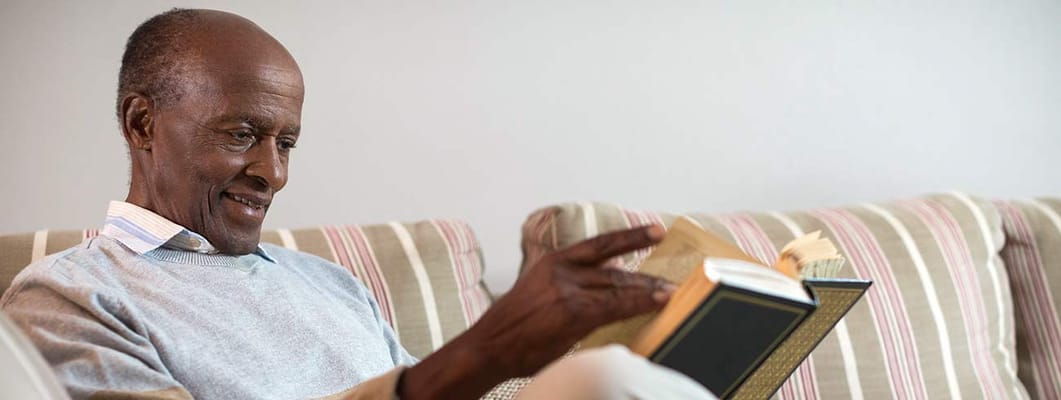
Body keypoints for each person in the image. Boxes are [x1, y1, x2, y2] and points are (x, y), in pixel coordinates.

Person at [0, 8, 714, 400]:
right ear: (141, 124)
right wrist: (489, 348)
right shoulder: (68, 297)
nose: (272, 174)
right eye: (242, 135)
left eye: (286, 143)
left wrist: (548, 354)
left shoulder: (325, 281)